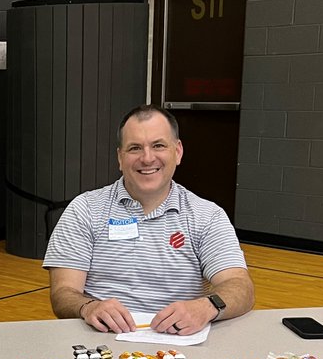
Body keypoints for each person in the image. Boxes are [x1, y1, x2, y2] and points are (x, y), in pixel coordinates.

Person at [44, 105, 254, 335]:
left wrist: (208, 306)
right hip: (100, 343)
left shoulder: (207, 216)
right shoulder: (84, 210)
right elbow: (63, 293)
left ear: (178, 152)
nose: (147, 158)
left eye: (158, 146)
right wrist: (88, 307)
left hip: (180, 345)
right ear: (120, 157)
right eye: (135, 148)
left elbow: (241, 287)